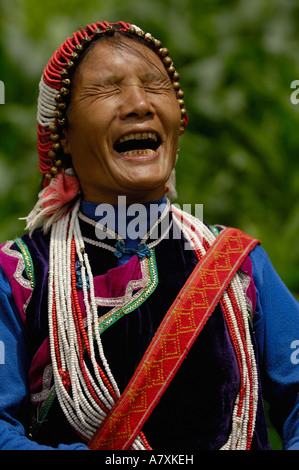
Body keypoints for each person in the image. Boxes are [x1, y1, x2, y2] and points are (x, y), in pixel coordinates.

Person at [0, 20, 298, 451]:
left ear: (179, 122)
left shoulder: (239, 265)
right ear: (63, 134)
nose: (139, 103)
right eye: (107, 89)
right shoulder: (21, 276)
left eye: (156, 87)